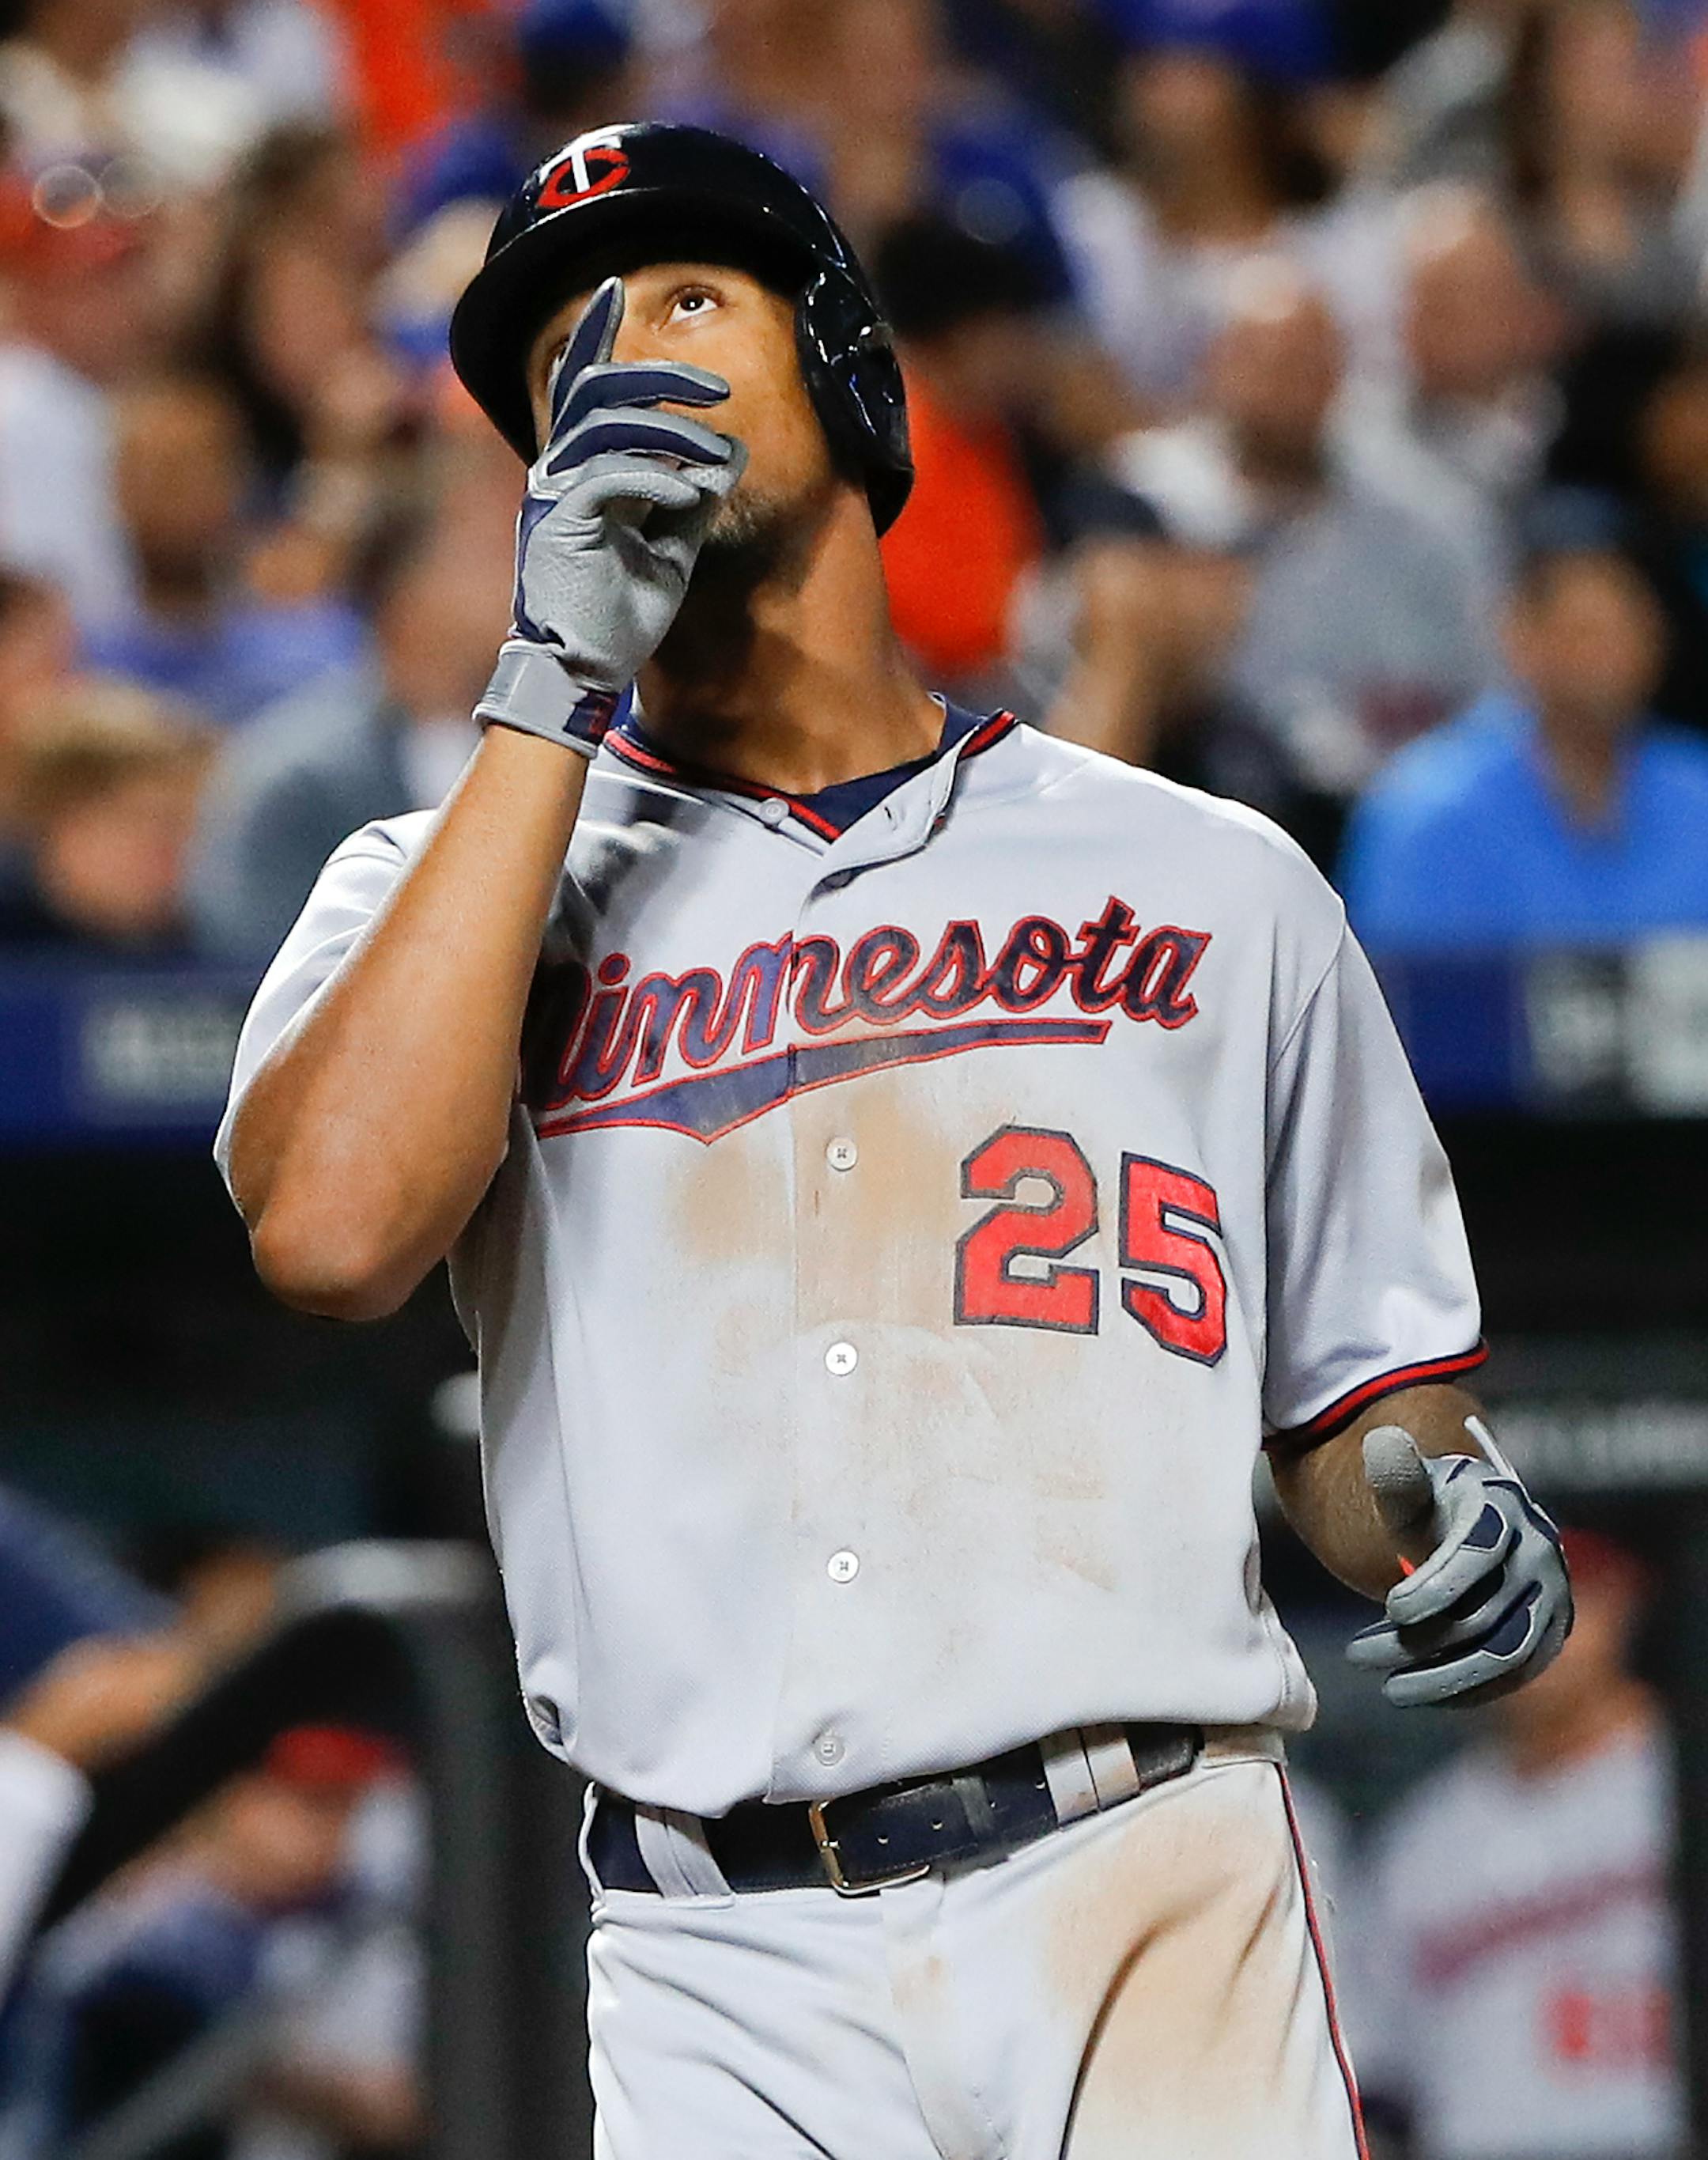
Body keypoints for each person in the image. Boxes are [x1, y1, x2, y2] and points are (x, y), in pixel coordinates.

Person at [217, 122, 1571, 2158]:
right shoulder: (443, 891)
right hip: (716, 1967)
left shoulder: (1205, 879)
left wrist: (1441, 1515)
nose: (628, 364)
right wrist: (543, 691)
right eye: (570, 349)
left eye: (687, 301)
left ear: (848, 370)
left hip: (1144, 1892)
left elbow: (1360, 1410)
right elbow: (330, 1232)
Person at [1113, 264, 1498, 820]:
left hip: (1379, 810)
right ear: (1214, 364)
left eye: (1310, 363)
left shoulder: (1423, 515)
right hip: (1194, 800)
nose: (1289, 387)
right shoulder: (1142, 498)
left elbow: (1490, 692)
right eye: (1264, 361)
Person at [1350, 1528, 1681, 2160]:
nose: (1524, 1622)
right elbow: (1377, 2080)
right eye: (1494, 1597)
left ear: (1628, 1598)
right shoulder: (1417, 1847)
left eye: (1557, 1590)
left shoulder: (1679, 1786)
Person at [186, 439, 516, 960]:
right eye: (488, 556)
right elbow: (253, 967)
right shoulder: (292, 777)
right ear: (406, 590)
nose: (523, 577)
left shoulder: (545, 754)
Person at [1340, 536, 1708, 949]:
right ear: (1521, 637)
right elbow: (1400, 991)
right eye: (1587, 633)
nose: (1611, 656)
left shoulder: (1698, 789)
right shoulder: (1426, 808)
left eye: (1631, 630)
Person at [83, 374, 368, 729]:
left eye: (194, 472)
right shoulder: (76, 662)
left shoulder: (315, 646)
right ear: (117, 489)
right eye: (154, 474)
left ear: (234, 485)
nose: (173, 498)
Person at [0, 679, 209, 952]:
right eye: (134, 819)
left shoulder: (220, 938)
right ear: (59, 824)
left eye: (178, 823)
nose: (166, 847)